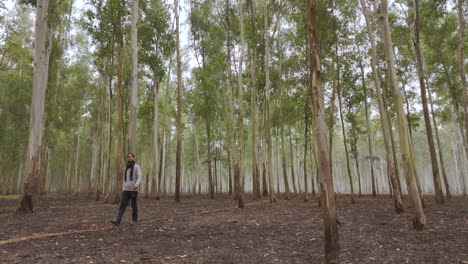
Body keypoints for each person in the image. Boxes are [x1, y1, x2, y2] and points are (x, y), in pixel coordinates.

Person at [111, 153, 142, 225]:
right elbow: (126, 179)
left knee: (134, 205)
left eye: (131, 157)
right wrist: (123, 187)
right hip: (126, 190)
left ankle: (134, 220)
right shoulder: (126, 168)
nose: (129, 158)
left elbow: (139, 176)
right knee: (122, 205)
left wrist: (137, 184)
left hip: (134, 190)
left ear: (133, 158)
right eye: (128, 157)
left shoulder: (137, 167)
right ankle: (118, 220)